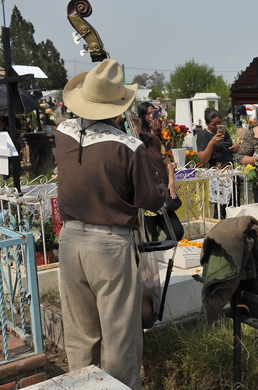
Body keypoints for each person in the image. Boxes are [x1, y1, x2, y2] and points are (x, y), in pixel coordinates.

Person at [55, 59, 166, 389]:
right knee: (120, 342)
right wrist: (154, 167)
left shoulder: (62, 133)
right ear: (118, 106)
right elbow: (151, 200)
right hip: (110, 247)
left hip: (71, 241)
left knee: (80, 337)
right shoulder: (129, 147)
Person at [137, 103, 184, 241]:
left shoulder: (154, 139)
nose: (152, 116)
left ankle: (163, 254)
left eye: (154, 112)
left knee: (176, 231)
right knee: (151, 237)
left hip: (161, 191)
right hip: (147, 195)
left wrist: (171, 183)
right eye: (148, 113)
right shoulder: (134, 143)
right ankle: (156, 258)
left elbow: (165, 161)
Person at [196, 108, 240, 219]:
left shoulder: (224, 133)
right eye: (213, 124)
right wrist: (211, 143)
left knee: (234, 206)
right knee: (220, 209)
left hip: (230, 171)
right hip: (218, 174)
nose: (217, 126)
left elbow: (229, 146)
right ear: (206, 124)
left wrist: (235, 147)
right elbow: (203, 159)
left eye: (219, 123)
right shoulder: (203, 136)